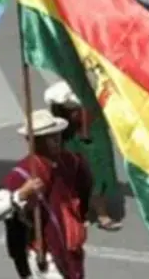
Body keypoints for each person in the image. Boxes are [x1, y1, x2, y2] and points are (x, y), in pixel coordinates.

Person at [0, 108, 92, 278]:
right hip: (44, 253)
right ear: (33, 141)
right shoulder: (22, 173)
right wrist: (21, 194)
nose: (56, 141)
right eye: (48, 138)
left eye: (56, 135)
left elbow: (84, 190)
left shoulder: (72, 161)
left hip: (71, 246)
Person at [44, 81, 122, 231]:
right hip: (72, 135)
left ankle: (101, 213)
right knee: (74, 174)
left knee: (99, 173)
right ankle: (81, 212)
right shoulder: (63, 93)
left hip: (94, 133)